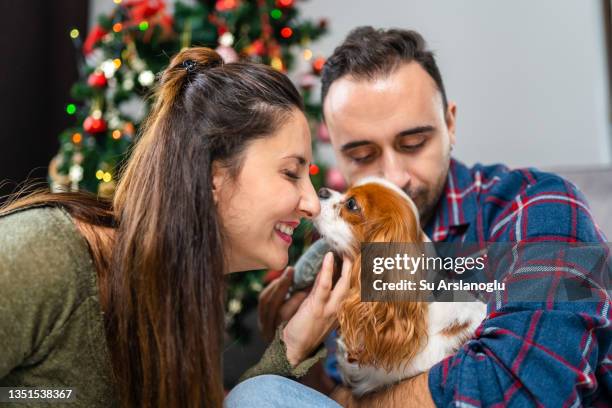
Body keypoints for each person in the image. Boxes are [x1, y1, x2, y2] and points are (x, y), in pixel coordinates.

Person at [257, 27, 612, 407]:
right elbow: (334, 388)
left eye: (413, 144)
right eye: (361, 155)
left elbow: (526, 385)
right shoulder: (346, 244)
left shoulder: (540, 204)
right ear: (337, 153)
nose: (393, 175)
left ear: (450, 124)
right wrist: (297, 351)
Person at [0, 47, 351, 408]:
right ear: (213, 174)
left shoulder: (177, 298)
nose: (312, 204)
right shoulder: (45, 254)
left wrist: (291, 345)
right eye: (291, 173)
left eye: (412, 143)